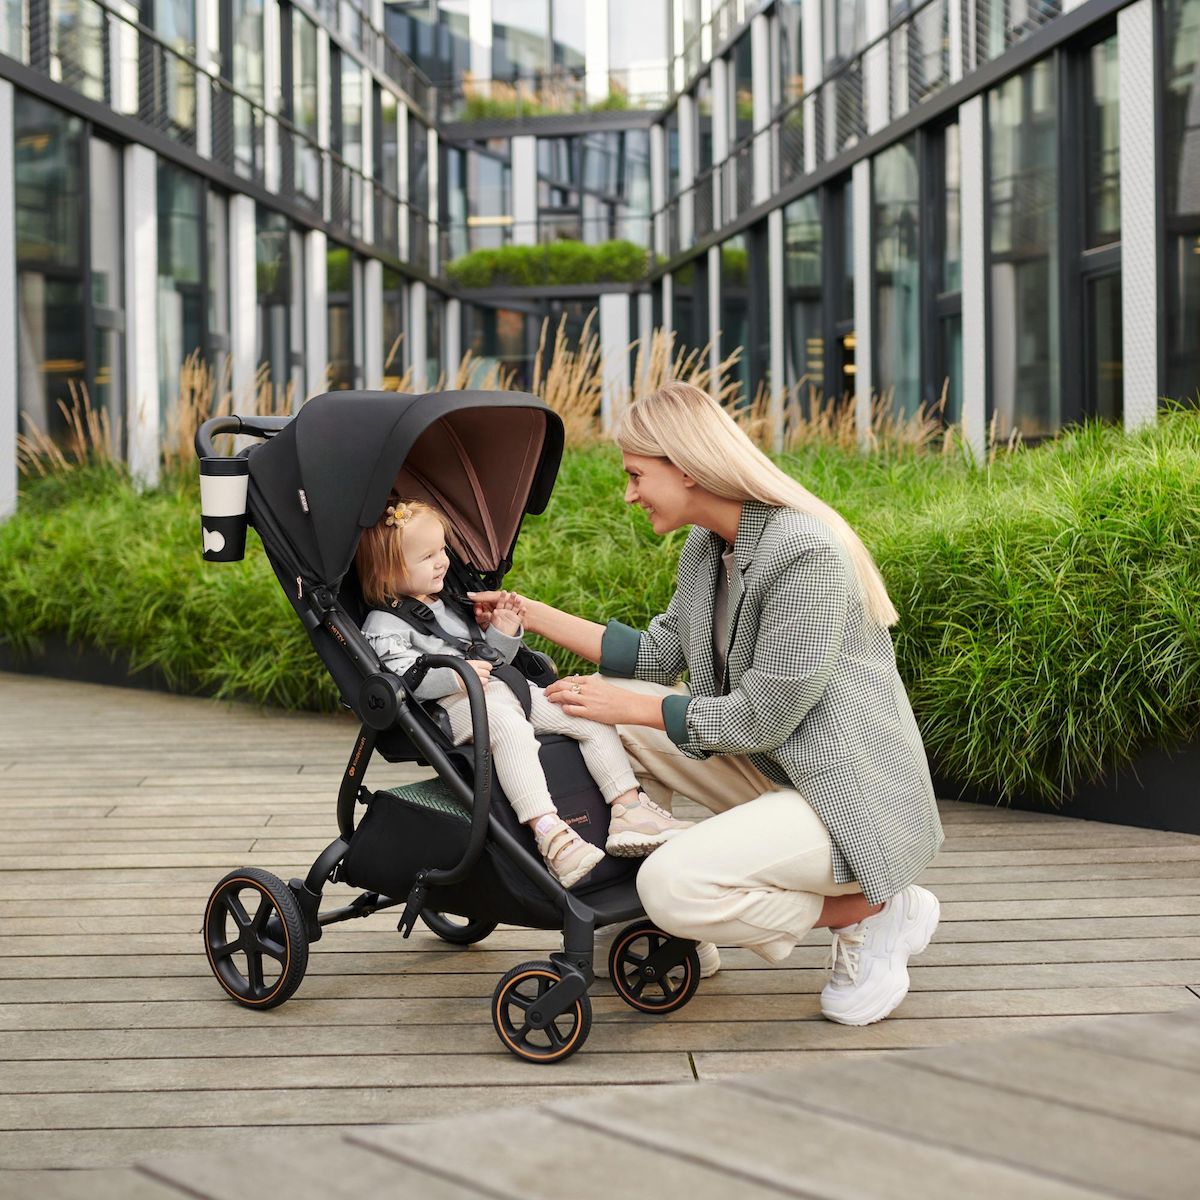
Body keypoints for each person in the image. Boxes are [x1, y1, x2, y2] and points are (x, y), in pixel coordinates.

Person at [470, 383, 944, 1025]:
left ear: (686, 468)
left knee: (668, 884)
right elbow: (657, 655)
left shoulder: (805, 554)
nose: (629, 493)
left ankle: (869, 908)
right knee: (603, 709)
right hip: (784, 773)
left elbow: (766, 714)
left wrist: (630, 709)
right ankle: (681, 915)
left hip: (848, 801)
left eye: (637, 475)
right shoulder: (709, 548)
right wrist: (526, 611)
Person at [356, 497, 693, 890]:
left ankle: (627, 808)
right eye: (428, 556)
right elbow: (401, 681)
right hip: (456, 709)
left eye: (443, 549)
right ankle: (549, 832)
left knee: (582, 709)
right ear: (390, 570)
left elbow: (492, 658)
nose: (443, 561)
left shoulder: (448, 604)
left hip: (503, 690)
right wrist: (456, 678)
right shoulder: (385, 624)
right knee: (509, 729)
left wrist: (503, 629)